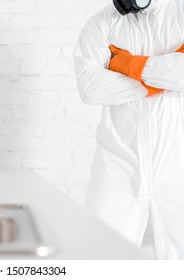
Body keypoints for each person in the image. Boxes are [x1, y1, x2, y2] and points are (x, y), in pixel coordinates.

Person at [74, 0, 184, 259]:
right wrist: (162, 80)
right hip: (117, 164)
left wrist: (126, 65)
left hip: (177, 164)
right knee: (101, 257)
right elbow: (90, 88)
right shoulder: (101, 24)